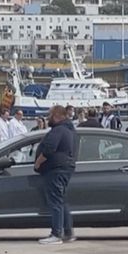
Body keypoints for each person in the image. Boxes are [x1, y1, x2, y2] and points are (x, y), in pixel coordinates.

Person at [34, 105, 77, 245]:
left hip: (55, 170)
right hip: (64, 168)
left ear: (57, 116)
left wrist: (38, 163)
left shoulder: (58, 130)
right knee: (61, 201)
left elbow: (49, 149)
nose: (48, 118)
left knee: (56, 202)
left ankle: (56, 234)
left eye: (49, 115)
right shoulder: (69, 130)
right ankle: (68, 232)